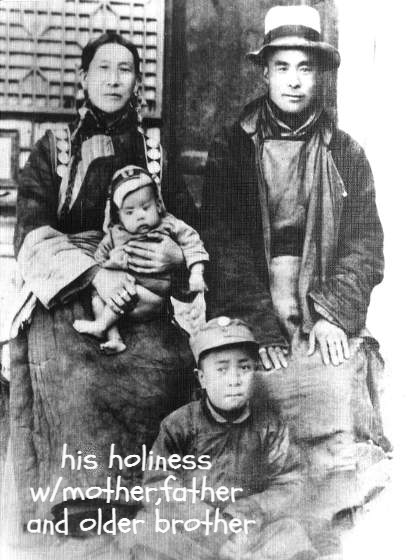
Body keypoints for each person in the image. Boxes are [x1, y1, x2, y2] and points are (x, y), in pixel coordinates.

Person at [8, 32, 199, 533]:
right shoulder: (54, 150)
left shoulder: (157, 152)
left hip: (143, 289)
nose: (114, 79)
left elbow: (187, 226)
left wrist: (175, 257)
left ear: (138, 83)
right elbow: (29, 232)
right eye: (104, 69)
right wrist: (95, 272)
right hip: (70, 285)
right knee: (71, 366)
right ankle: (78, 501)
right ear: (84, 77)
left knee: (165, 362)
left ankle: (146, 494)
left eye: (126, 71)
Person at [201, 5, 384, 373]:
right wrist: (258, 322)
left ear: (320, 76)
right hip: (251, 295)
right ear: (265, 73)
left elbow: (363, 246)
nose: (294, 81)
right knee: (247, 388)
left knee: (338, 388)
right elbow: (223, 243)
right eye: (283, 67)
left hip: (321, 292)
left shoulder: (346, 153)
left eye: (305, 68)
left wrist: (332, 313)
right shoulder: (233, 147)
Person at [120, 317, 316, 560]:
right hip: (195, 533)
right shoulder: (179, 425)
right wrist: (211, 527)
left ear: (254, 371)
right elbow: (159, 485)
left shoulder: (270, 426)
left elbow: (291, 481)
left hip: (248, 533)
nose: (233, 380)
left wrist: (247, 512)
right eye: (221, 369)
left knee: (292, 533)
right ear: (201, 378)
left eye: (244, 368)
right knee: (141, 530)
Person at [73, 164, 208, 354]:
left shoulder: (169, 225)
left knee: (130, 292)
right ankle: (114, 338)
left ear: (158, 205)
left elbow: (193, 243)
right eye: (129, 212)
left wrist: (196, 273)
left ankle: (101, 325)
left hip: (152, 295)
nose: (140, 216)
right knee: (97, 298)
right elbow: (99, 259)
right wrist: (111, 263)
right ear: (117, 215)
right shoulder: (115, 234)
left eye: (146, 207)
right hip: (122, 295)